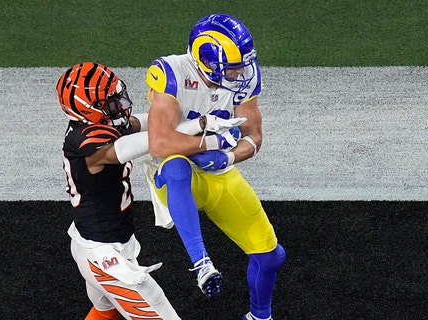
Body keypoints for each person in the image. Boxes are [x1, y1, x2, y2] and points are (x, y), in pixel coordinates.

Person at [144, 14, 287, 320]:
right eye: (233, 66)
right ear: (205, 61)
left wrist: (230, 157)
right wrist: (210, 144)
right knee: (176, 167)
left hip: (220, 175)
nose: (241, 71)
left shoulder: (244, 77)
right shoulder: (170, 72)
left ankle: (260, 317)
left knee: (271, 257)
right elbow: (159, 143)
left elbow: (254, 136)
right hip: (176, 179)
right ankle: (201, 264)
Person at [57, 62, 181, 320]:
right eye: (111, 102)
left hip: (101, 242)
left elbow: (147, 125)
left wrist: (185, 117)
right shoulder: (86, 141)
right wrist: (199, 129)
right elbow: (152, 143)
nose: (120, 106)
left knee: (105, 313)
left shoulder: (99, 124)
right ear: (88, 108)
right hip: (103, 256)